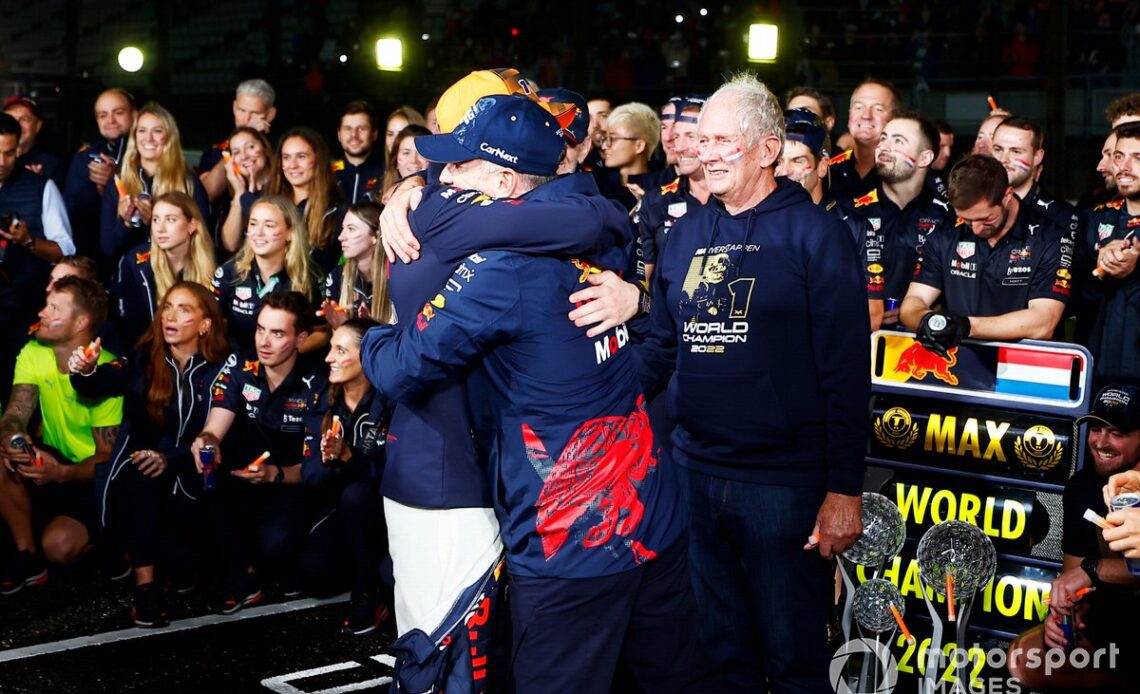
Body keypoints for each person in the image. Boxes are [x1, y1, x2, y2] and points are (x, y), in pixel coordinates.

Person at [363, 92, 705, 694]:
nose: (443, 176)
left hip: (569, 539)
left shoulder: (502, 267)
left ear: (503, 177)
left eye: (461, 165)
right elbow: (607, 226)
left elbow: (400, 369)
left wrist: (371, 333)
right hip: (652, 517)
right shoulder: (596, 216)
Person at [634, 73, 868, 691]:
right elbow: (662, 345)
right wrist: (587, 399)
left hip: (783, 486)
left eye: (720, 141)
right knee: (716, 654)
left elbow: (848, 373)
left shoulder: (817, 236)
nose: (702, 153)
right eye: (699, 140)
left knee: (792, 659)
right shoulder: (686, 233)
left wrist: (844, 489)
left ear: (767, 150)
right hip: (693, 473)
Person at [66, 282, 229, 626]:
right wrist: (84, 370)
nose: (170, 316)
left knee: (185, 570)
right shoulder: (144, 358)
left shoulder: (223, 366)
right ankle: (146, 590)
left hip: (198, 472)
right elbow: (101, 382)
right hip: (150, 468)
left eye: (184, 310)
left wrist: (173, 458)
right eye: (167, 307)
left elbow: (215, 438)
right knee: (140, 470)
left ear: (205, 324)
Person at [190, 292, 332, 613]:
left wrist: (273, 475)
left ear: (301, 339)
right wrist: (206, 442)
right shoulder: (242, 367)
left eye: (278, 333)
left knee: (288, 552)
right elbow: (215, 427)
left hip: (297, 484)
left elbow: (315, 468)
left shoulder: (316, 384)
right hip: (247, 480)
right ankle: (247, 574)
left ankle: (276, 562)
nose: (264, 341)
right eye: (260, 329)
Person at [1007, 383, 1140, 691]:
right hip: (1113, 617)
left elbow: (1088, 570)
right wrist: (1064, 615)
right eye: (1096, 429)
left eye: (1117, 433)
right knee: (1023, 662)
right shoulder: (1083, 486)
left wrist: (1094, 570)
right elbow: (1073, 577)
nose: (1102, 442)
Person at [0, 276, 122, 594]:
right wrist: (14, 440)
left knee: (59, 547)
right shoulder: (35, 351)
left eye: (54, 308)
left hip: (90, 477)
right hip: (52, 462)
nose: (41, 313)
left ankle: (112, 542)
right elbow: (16, 413)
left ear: (80, 322)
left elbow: (109, 459)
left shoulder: (106, 374)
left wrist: (61, 474)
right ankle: (26, 554)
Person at [900, 155, 1074, 353]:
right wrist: (930, 322)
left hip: (1024, 366)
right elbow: (913, 303)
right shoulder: (945, 233)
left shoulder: (1049, 238)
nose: (975, 229)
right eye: (966, 220)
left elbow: (1044, 322)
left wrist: (967, 326)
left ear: (1007, 195)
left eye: (986, 219)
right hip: (958, 361)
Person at [301, 318, 390, 635]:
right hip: (339, 512)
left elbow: (389, 478)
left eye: (340, 350)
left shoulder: (392, 401)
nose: (328, 358)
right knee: (314, 574)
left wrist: (349, 455)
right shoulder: (322, 399)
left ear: (367, 356)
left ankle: (369, 588)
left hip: (388, 515)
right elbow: (310, 475)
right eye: (330, 349)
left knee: (358, 496)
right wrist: (328, 458)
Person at [841, 113, 953, 330]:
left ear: (925, 158)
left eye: (898, 141)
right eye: (883, 138)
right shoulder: (850, 214)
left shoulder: (949, 219)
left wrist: (935, 311)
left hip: (926, 344)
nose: (884, 146)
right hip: (857, 337)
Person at [0, 112, 75, 406]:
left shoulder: (42, 187)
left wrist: (28, 241)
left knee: (14, 390)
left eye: (8, 153)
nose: (2, 161)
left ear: (19, 148)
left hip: (21, 312)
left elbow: (66, 250)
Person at [99, 103, 210, 265]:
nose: (148, 138)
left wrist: (155, 221)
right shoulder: (119, 182)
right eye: (142, 131)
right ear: (135, 136)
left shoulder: (189, 182)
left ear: (170, 137)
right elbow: (108, 250)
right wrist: (127, 223)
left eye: (157, 131)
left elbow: (203, 243)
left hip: (178, 276)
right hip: (131, 279)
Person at [212, 195, 322, 354]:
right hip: (236, 369)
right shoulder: (229, 274)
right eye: (253, 224)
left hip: (288, 369)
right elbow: (212, 328)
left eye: (269, 225)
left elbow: (322, 331)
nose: (259, 233)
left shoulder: (309, 278)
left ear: (289, 233)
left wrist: (287, 354)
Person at [111, 191, 218, 349]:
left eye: (170, 220)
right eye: (155, 220)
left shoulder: (214, 267)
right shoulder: (136, 264)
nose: (160, 229)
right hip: (149, 356)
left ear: (191, 225)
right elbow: (131, 330)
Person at [1082, 122, 1140, 381]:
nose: (1124, 167)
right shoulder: (1093, 220)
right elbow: (1070, 302)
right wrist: (1101, 271)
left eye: (1138, 158)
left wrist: (1133, 273)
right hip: (1094, 377)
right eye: (1119, 156)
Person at [639, 97, 710, 281]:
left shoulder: (735, 198)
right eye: (677, 137)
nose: (679, 147)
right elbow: (644, 278)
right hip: (668, 306)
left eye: (690, 136)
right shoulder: (656, 201)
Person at [63, 89, 135, 266]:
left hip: (139, 252)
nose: (110, 120)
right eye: (103, 115)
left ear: (134, 114)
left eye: (118, 113)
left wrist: (116, 180)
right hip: (95, 258)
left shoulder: (148, 152)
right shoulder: (85, 157)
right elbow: (72, 213)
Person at [265, 127, 343, 273]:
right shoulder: (269, 206)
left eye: (301, 156)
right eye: (286, 157)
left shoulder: (337, 211)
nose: (293, 165)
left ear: (317, 159)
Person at [990, 116, 1079, 231]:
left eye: (1016, 151)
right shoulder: (972, 207)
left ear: (1037, 157)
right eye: (998, 149)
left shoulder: (1062, 217)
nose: (1003, 159)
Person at [198, 79, 277, 205]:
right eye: (241, 110)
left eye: (255, 113)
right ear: (234, 108)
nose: (246, 119)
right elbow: (206, 194)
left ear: (270, 114)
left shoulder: (281, 149)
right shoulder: (217, 152)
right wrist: (235, 151)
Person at [828, 79, 900, 197]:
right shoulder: (828, 169)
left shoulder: (905, 175)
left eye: (878, 109)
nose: (866, 115)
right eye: (858, 107)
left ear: (895, 118)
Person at [321, 201, 385, 328]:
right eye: (343, 229)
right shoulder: (337, 276)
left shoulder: (398, 278)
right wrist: (341, 325)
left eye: (351, 229)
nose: (341, 237)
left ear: (376, 236)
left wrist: (369, 327)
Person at [218, 126, 274, 255]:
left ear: (264, 148)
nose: (244, 156)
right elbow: (231, 245)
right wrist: (239, 194)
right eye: (236, 152)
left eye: (251, 147)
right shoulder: (233, 194)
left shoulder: (285, 186)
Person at [598, 102, 660, 211]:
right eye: (605, 138)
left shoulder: (663, 187)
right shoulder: (597, 184)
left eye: (613, 138)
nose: (604, 146)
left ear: (639, 146)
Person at [776, 108, 834, 209]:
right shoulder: (755, 220)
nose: (785, 171)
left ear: (822, 167)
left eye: (797, 161)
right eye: (778, 162)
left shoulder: (847, 224)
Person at [333, 100, 384, 205]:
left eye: (361, 129)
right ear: (339, 134)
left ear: (374, 134)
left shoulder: (386, 174)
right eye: (348, 128)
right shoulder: (326, 173)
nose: (354, 135)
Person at [2, 96, 61, 182]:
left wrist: (37, 183)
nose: (16, 124)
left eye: (24, 119)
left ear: (38, 125)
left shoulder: (50, 165)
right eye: (10, 118)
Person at [379, 125, 430, 202]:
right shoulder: (381, 196)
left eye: (421, 153)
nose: (413, 160)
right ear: (395, 160)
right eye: (406, 153)